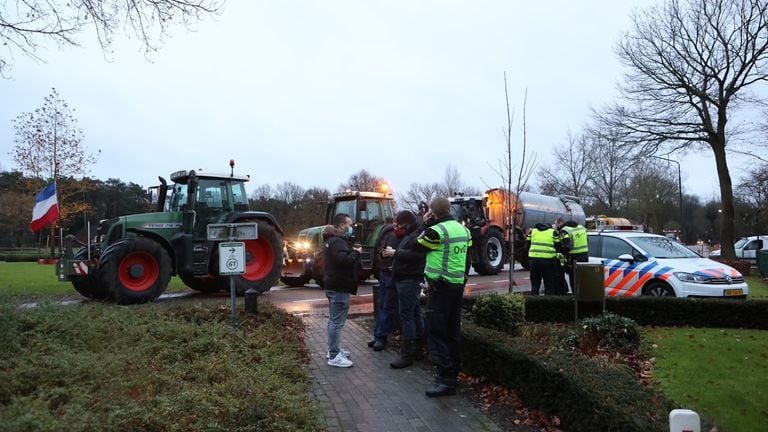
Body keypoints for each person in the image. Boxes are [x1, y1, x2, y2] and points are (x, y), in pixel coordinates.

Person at [413, 197, 471, 397]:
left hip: (440, 288)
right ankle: (454, 373)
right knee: (452, 332)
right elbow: (467, 258)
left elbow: (416, 245)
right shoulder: (463, 230)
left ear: (433, 211)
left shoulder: (435, 231)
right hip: (456, 286)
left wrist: (426, 222)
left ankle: (446, 380)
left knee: (435, 332)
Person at [385, 210, 427, 369]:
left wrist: (395, 253)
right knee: (415, 314)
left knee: (407, 316)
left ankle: (407, 354)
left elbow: (417, 256)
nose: (395, 228)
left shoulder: (417, 235)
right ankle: (417, 349)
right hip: (406, 277)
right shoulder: (410, 233)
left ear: (406, 224)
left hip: (409, 279)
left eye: (398, 225)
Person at [323, 213, 362, 368]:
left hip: (333, 285)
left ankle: (333, 349)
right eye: (350, 224)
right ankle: (334, 356)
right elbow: (344, 261)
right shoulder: (338, 242)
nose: (352, 228)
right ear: (342, 226)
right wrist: (356, 253)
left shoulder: (331, 241)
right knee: (337, 322)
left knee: (333, 320)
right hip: (339, 287)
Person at [368, 229, 399, 351]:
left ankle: (381, 336)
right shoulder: (391, 236)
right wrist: (382, 254)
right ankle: (378, 335)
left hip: (393, 273)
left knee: (388, 306)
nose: (395, 225)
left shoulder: (407, 237)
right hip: (385, 271)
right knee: (382, 305)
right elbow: (381, 250)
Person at [556, 217, 589, 295]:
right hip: (584, 256)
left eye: (556, 224)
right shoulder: (581, 227)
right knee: (582, 279)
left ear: (560, 223)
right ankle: (583, 297)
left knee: (573, 279)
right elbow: (587, 240)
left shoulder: (565, 230)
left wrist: (563, 253)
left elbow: (566, 245)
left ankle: (576, 298)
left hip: (574, 258)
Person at [527, 222, 560, 295]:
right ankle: (548, 303)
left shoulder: (532, 231)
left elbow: (527, 245)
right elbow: (558, 246)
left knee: (535, 284)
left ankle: (534, 302)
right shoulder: (552, 232)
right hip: (548, 262)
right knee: (549, 285)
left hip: (534, 261)